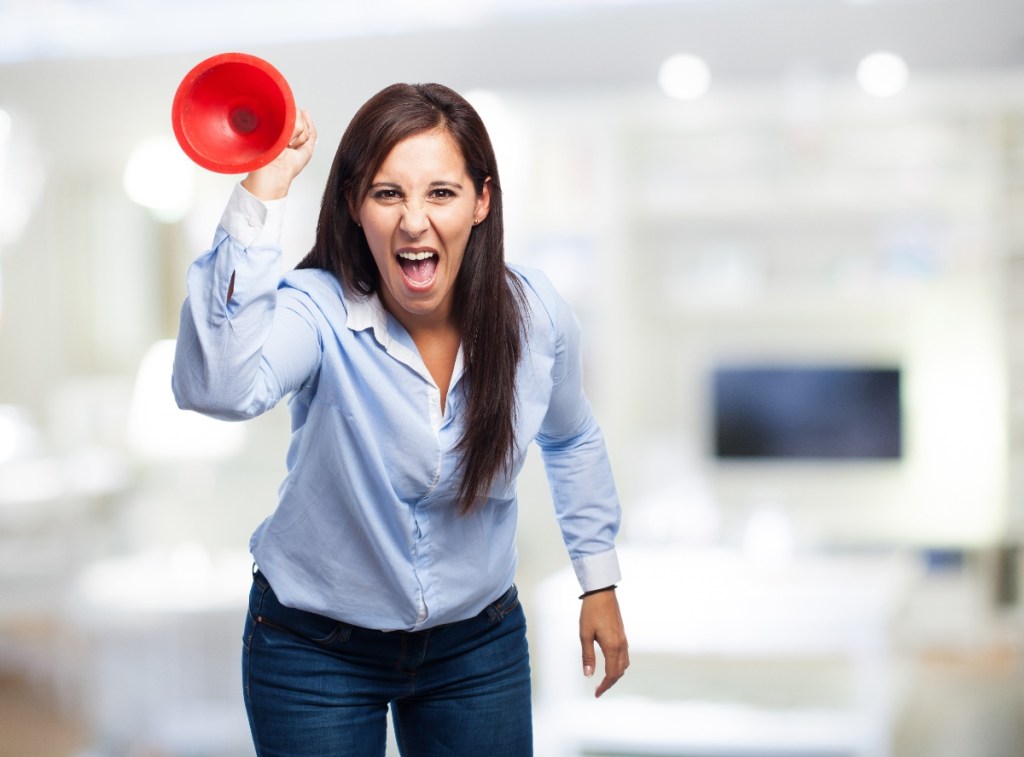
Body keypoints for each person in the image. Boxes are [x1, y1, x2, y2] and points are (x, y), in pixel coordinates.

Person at [172, 82, 628, 756]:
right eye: (389, 193)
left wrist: (600, 580)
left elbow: (573, 436)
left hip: (475, 642)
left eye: (440, 192)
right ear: (356, 206)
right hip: (312, 647)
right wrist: (262, 193)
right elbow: (217, 387)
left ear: (482, 200)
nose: (415, 220)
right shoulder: (317, 309)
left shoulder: (536, 316)